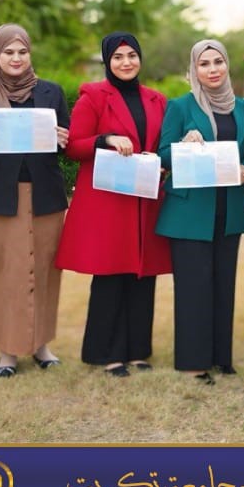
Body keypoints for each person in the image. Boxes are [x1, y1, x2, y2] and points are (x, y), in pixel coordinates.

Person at [55, 32, 172, 377]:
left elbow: (162, 144)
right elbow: (73, 147)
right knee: (110, 276)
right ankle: (107, 353)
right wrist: (105, 139)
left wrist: (164, 162)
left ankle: (138, 351)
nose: (126, 62)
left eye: (132, 55)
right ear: (108, 61)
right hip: (109, 201)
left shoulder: (157, 100)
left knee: (143, 275)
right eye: (118, 57)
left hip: (145, 198)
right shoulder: (93, 96)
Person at [0, 24, 70, 377]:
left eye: (22, 51)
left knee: (44, 271)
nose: (16, 58)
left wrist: (64, 139)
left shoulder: (51, 93)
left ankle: (41, 346)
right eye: (9, 52)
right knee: (2, 272)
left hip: (45, 196)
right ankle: (7, 352)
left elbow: (66, 145)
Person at [156, 40, 244, 385]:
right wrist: (183, 145)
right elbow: (162, 153)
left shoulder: (243, 108)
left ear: (227, 65)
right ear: (194, 70)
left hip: (229, 208)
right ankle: (193, 363)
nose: (212, 69)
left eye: (218, 62)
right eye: (204, 64)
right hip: (191, 212)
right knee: (193, 288)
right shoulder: (180, 106)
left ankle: (220, 357)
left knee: (224, 285)